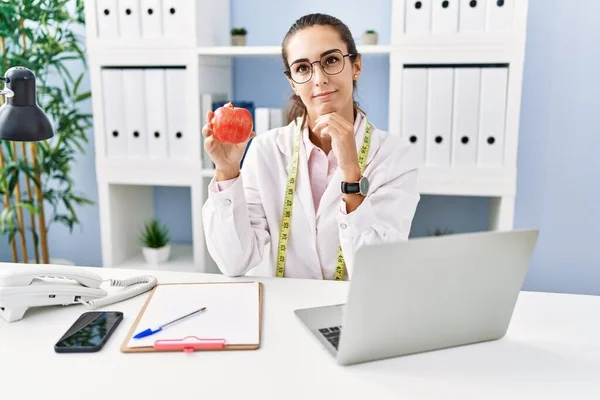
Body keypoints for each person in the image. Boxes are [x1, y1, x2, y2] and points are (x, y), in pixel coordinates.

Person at [202, 13, 420, 280]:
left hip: (352, 312)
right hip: (281, 310)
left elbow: (379, 274)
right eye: (303, 68)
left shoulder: (394, 156)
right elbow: (234, 262)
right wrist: (226, 171)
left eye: (330, 61)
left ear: (356, 66)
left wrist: (352, 172)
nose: (319, 78)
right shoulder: (265, 151)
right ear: (292, 81)